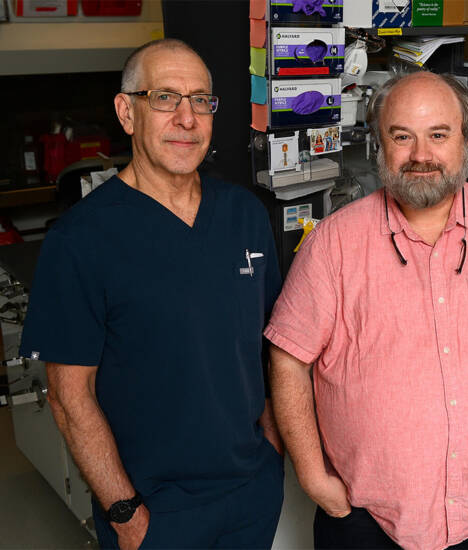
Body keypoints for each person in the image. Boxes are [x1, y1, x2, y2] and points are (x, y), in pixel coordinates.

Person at [266, 71, 468, 550]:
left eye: (438, 135)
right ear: (378, 145)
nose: (421, 155)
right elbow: (288, 358)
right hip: (365, 520)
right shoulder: (333, 244)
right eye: (402, 136)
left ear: (466, 143)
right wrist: (313, 477)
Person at [19, 39, 284, 550]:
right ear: (126, 112)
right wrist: (125, 512)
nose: (187, 118)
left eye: (201, 100)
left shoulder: (245, 215)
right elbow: (71, 397)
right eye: (164, 97)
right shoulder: (81, 240)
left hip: (251, 492)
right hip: (155, 511)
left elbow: (266, 348)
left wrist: (272, 456)